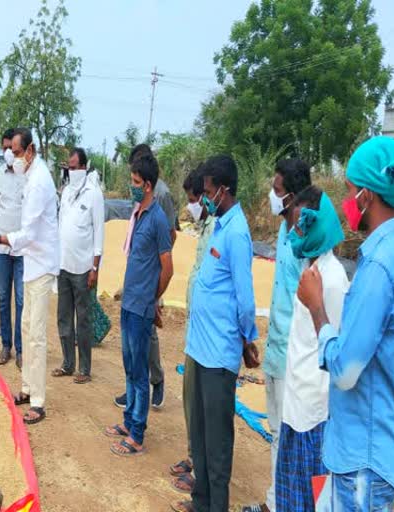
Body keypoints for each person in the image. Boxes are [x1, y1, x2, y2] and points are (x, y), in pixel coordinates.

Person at [297, 136, 394, 511]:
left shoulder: (377, 267)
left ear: (368, 196)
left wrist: (317, 309)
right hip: (379, 448)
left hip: (362, 461)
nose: (347, 200)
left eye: (351, 190)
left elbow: (345, 371)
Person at [186, 155, 259, 512]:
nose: (206, 198)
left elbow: (246, 301)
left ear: (224, 190)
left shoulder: (238, 233)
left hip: (218, 355)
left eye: (210, 192)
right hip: (199, 349)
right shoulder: (218, 224)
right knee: (198, 438)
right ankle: (200, 503)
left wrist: (248, 339)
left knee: (216, 445)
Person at [0, 127, 60, 425]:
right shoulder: (29, 175)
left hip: (39, 265)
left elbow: (28, 233)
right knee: (25, 325)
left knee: (35, 335)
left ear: (31, 152)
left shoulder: (38, 182)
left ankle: (38, 401)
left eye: (19, 152)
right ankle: (26, 387)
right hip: (31, 261)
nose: (15, 157)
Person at [243, 159, 312, 512]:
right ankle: (275, 501)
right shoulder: (284, 233)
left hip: (295, 357)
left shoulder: (306, 242)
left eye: (277, 190)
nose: (272, 195)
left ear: (293, 196)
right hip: (276, 349)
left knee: (291, 437)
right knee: (275, 431)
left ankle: (287, 503)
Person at [274, 186, 348, 512]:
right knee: (290, 498)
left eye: (301, 226)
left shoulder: (332, 280)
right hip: (295, 406)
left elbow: (333, 347)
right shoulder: (311, 269)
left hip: (314, 416)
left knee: (309, 500)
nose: (294, 232)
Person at [102, 151, 173, 456]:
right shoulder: (137, 214)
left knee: (140, 373)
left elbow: (167, 267)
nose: (130, 186)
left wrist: (152, 298)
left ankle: (138, 435)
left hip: (142, 306)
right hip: (129, 303)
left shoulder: (157, 219)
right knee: (130, 366)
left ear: (147, 185)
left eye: (134, 182)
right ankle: (129, 421)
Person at [115, 143, 178, 411]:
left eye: (136, 179)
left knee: (147, 336)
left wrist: (153, 281)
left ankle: (156, 381)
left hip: (150, 279)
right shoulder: (139, 199)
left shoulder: (161, 196)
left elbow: (168, 236)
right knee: (132, 348)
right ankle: (133, 395)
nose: (133, 184)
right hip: (137, 275)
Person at [170, 166, 216, 508]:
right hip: (196, 330)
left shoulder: (223, 229)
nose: (191, 207)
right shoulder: (206, 227)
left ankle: (202, 471)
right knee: (190, 402)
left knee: (204, 407)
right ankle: (193, 455)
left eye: (193, 200)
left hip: (211, 337)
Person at [52, 147, 104, 384]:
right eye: (69, 168)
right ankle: (67, 363)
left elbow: (99, 233)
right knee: (64, 317)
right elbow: (60, 225)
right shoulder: (66, 193)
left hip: (84, 269)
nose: (71, 171)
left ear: (84, 168)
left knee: (83, 320)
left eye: (74, 167)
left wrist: (95, 268)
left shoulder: (94, 194)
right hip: (63, 265)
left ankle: (84, 368)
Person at [0, 129, 25, 368]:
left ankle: (20, 350)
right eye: (5, 148)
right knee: (3, 300)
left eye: (12, 148)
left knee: (20, 300)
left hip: (21, 252)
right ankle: (6, 346)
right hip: (1, 251)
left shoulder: (26, 175)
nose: (9, 152)